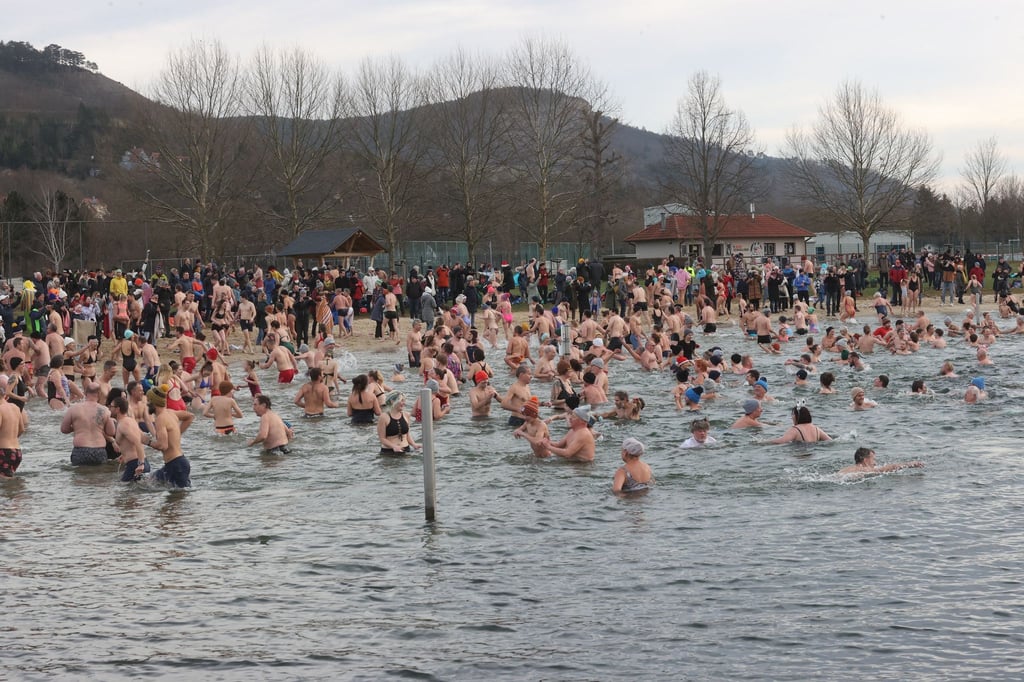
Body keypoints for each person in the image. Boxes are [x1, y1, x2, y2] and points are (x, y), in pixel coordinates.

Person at [141, 384, 195, 487]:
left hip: (176, 465)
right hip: (177, 463)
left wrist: (146, 441)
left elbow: (162, 445)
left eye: (148, 401)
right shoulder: (171, 413)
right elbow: (190, 416)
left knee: (176, 500)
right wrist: (177, 432)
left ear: (154, 402)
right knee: (148, 481)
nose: (147, 404)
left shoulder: (160, 419)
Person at [60, 383, 115, 465]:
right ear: (99, 394)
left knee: (80, 476)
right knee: (100, 476)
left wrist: (76, 427)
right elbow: (111, 432)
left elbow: (64, 429)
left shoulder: (74, 408)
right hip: (99, 450)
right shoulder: (105, 410)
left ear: (85, 393)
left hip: (80, 449)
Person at [110, 395, 149, 481]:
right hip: (138, 463)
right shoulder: (130, 420)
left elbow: (137, 442)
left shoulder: (124, 424)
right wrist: (124, 455)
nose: (110, 408)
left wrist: (141, 464)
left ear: (118, 409)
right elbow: (139, 439)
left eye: (111, 406)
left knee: (125, 492)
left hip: (136, 465)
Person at [0, 376, 26, 478]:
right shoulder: (15, 408)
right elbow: (22, 429)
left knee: (4, 483)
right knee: (11, 485)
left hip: (3, 451)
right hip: (17, 452)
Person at [839, 447, 923, 476]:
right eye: (873, 459)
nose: (875, 463)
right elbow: (890, 468)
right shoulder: (865, 470)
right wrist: (909, 464)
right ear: (865, 460)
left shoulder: (847, 469)